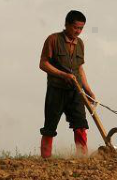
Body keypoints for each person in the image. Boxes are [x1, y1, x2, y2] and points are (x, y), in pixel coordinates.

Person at [38, 10, 96, 158]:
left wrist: (88, 90)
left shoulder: (80, 44)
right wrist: (63, 75)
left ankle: (82, 157)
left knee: (81, 124)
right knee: (49, 127)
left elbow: (80, 68)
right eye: (75, 27)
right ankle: (45, 159)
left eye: (81, 28)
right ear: (67, 24)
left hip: (75, 91)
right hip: (56, 90)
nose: (78, 31)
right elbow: (43, 64)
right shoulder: (53, 40)